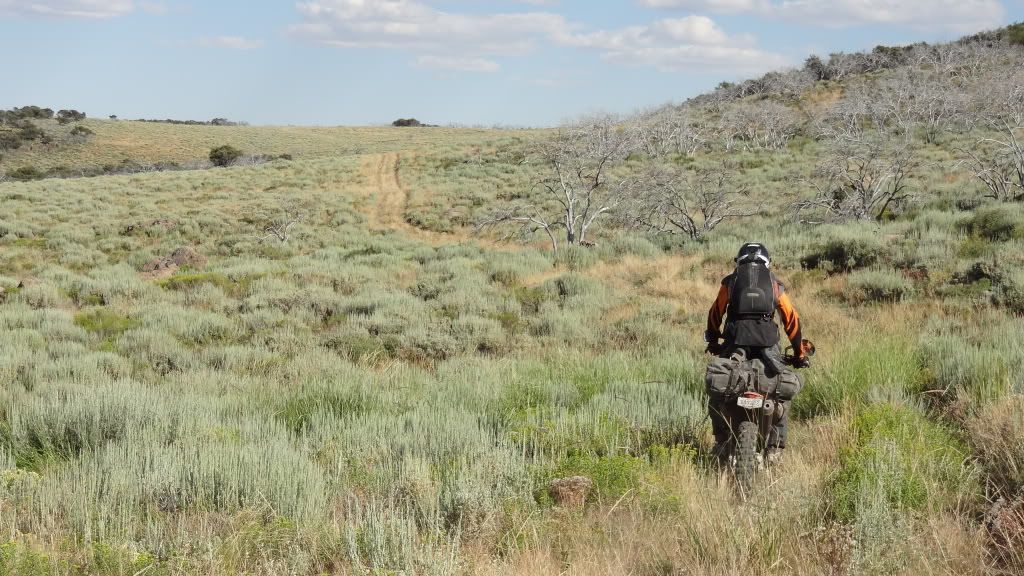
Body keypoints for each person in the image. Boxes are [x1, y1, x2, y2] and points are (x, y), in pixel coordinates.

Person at [704, 242, 808, 459]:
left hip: (734, 341)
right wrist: (799, 353)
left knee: (718, 391)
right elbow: (791, 320)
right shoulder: (775, 284)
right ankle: (775, 449)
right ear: (767, 262)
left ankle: (722, 442)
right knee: (781, 392)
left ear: (739, 261)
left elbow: (716, 313)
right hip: (768, 344)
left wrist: (713, 339)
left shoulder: (731, 282)